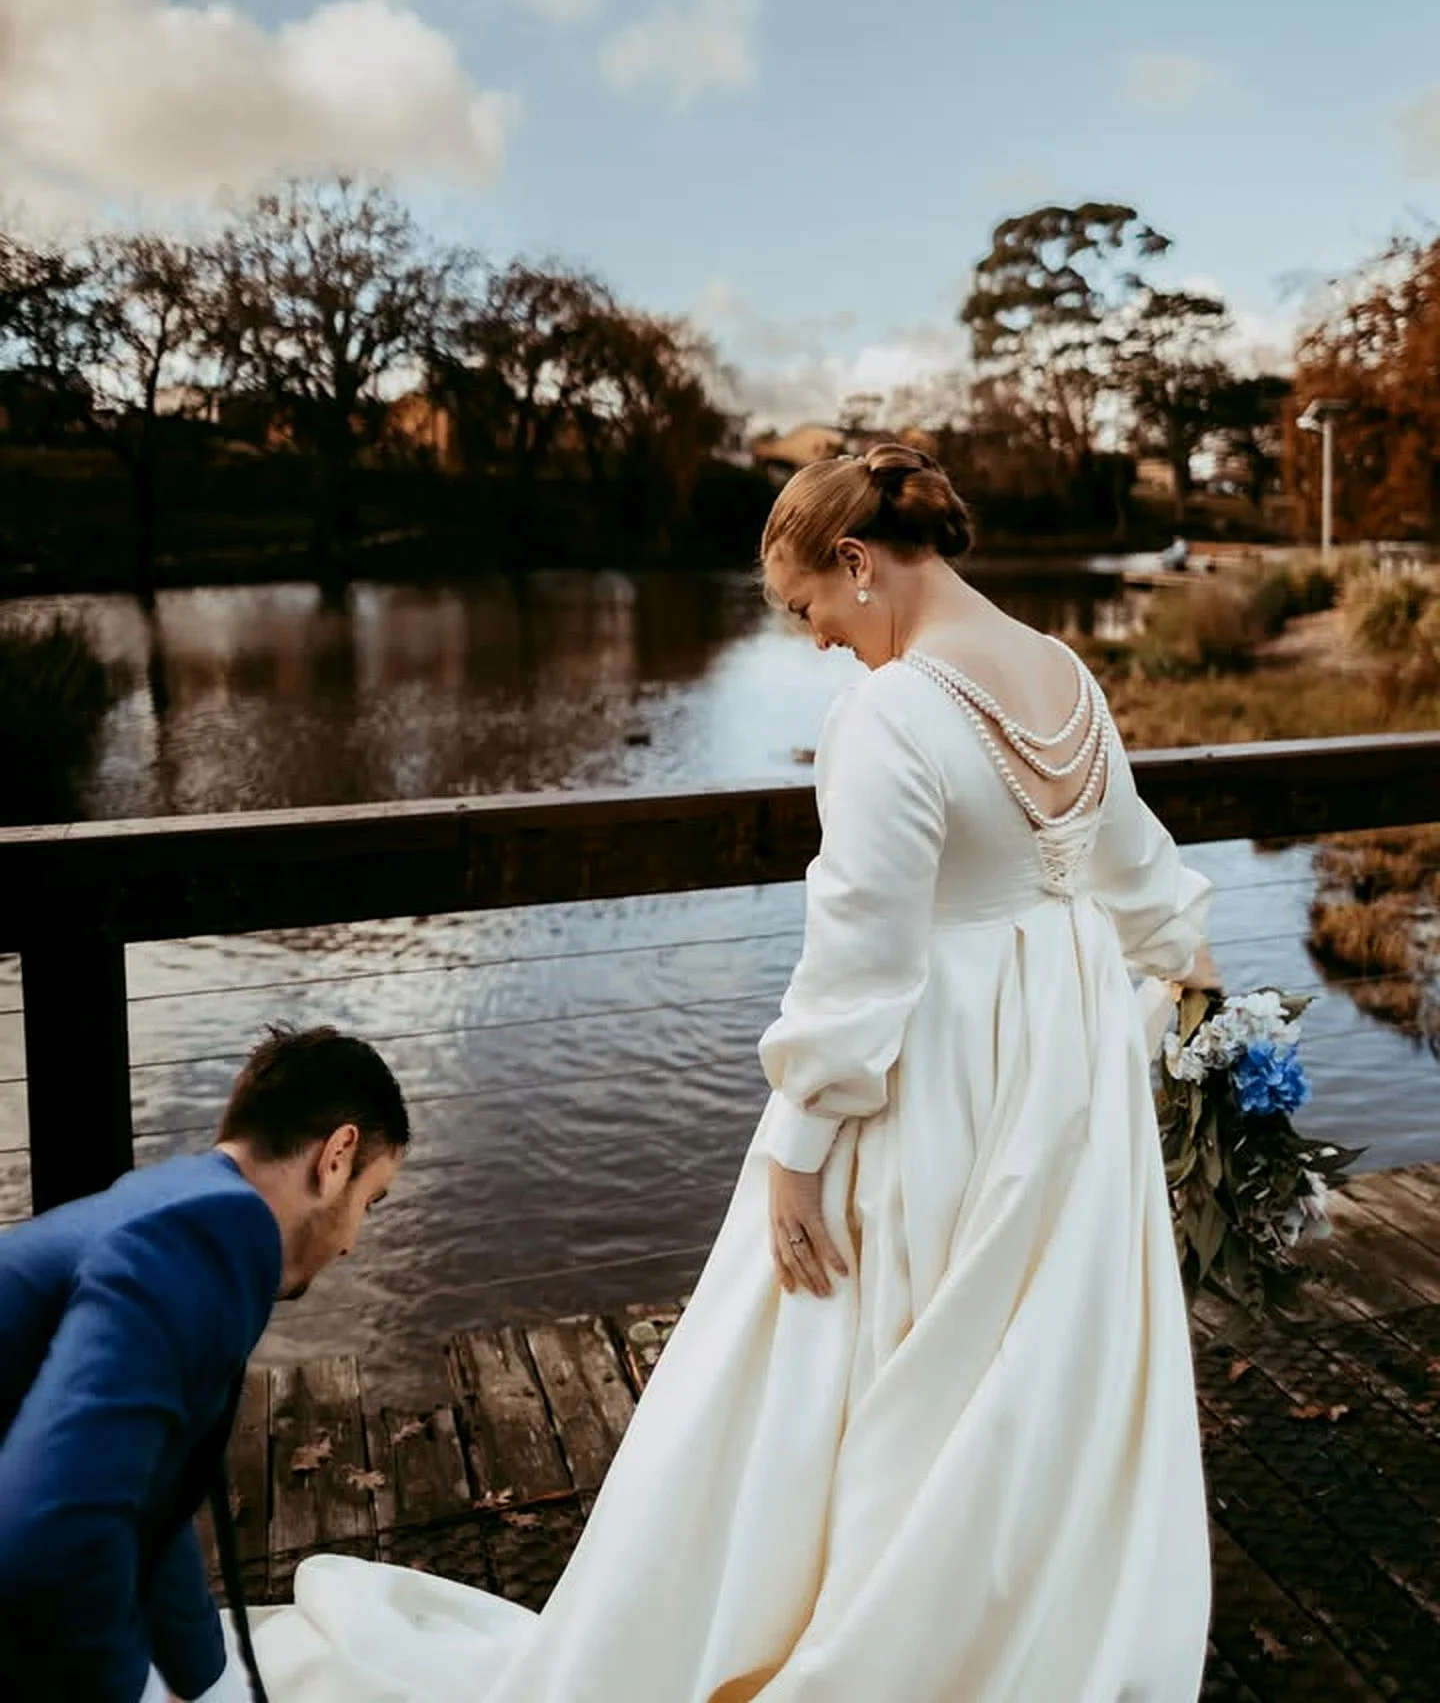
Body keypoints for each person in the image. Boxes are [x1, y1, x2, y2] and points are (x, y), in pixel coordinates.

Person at [243, 444, 1214, 1702]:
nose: (812, 642)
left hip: (944, 1069)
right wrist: (1188, 971)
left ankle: (869, 1623)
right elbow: (1136, 864)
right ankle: (1014, 1614)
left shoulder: (893, 710)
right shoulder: (1067, 677)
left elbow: (861, 952)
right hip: (1066, 1064)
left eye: (808, 608)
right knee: (1023, 1351)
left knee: (857, 1334)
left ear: (859, 564)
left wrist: (799, 1157)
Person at [0, 1025, 409, 1703]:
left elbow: (146, 1509)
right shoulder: (200, 1245)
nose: (352, 1244)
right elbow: (44, 1538)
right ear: (337, 1157)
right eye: (370, 1202)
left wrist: (211, 1683)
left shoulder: (182, 1210)